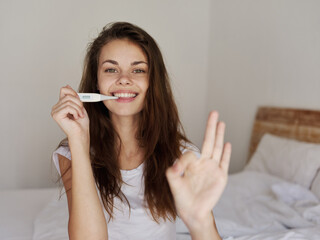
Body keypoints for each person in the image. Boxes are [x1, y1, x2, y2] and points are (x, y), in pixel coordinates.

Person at [51, 22, 231, 240]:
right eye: (111, 69)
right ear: (97, 83)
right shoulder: (71, 153)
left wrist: (200, 222)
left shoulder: (181, 156)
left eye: (138, 70)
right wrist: (78, 141)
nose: (124, 78)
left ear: (152, 82)